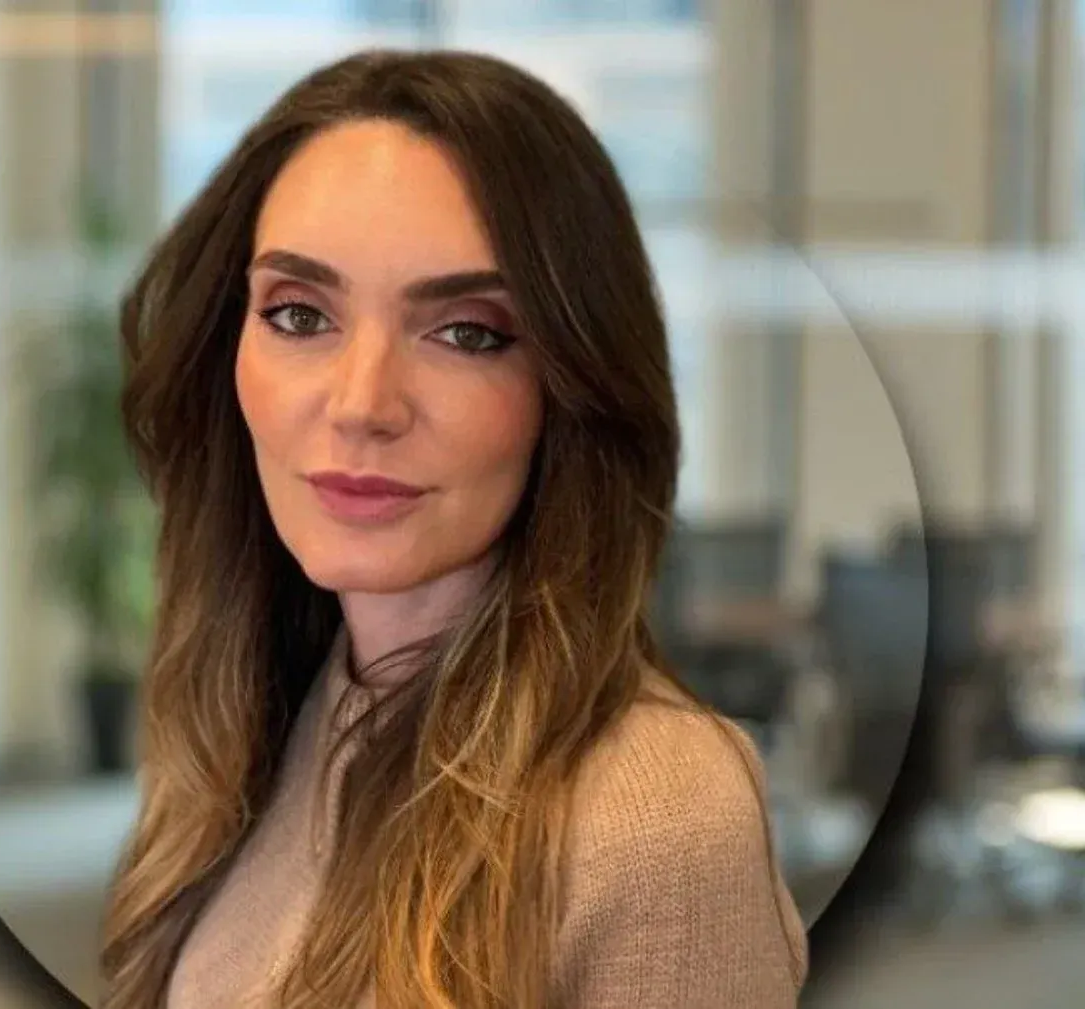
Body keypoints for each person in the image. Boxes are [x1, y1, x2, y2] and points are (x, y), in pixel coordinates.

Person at [100, 48, 807, 1009]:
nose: (361, 404)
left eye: (466, 332)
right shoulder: (281, 716)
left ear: (572, 387)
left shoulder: (657, 813)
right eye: (301, 314)